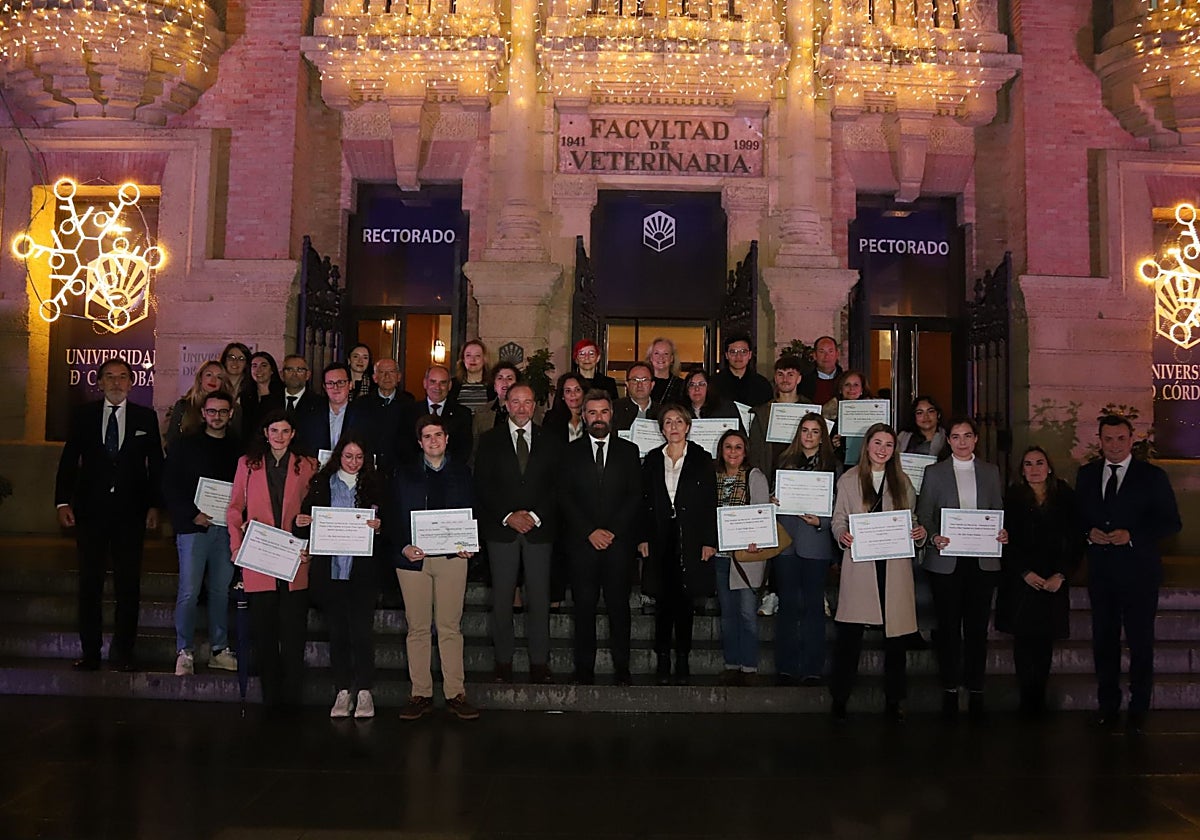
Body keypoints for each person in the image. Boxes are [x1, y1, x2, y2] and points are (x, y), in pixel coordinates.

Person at [55, 357, 164, 671]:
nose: (117, 382)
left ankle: (123, 652)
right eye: (110, 376)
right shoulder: (83, 416)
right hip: (91, 512)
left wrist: (155, 505)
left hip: (131, 513)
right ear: (99, 382)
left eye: (122, 376)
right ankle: (90, 652)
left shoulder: (145, 417)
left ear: (131, 382)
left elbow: (156, 465)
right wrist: (62, 502)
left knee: (128, 586)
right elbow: (69, 461)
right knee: (90, 583)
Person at [1076, 414, 1181, 733]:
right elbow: (1076, 517)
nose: (1114, 445)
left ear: (1131, 439)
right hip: (1102, 574)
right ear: (1099, 440)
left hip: (1140, 574)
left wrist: (1132, 536)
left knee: (1140, 642)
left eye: (1121, 439)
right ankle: (1108, 707)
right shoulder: (1087, 475)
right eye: (1108, 439)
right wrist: (1087, 533)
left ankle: (1138, 709)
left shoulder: (1152, 476)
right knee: (1104, 642)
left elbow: (1171, 522)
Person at [830, 423, 926, 721]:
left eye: (888, 444)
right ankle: (840, 698)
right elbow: (838, 518)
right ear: (867, 445)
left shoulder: (902, 481)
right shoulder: (848, 479)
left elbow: (912, 519)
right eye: (877, 443)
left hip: (894, 566)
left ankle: (895, 700)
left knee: (895, 639)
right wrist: (842, 534)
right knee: (849, 636)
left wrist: (919, 533)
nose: (882, 449)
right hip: (861, 563)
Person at [916, 417, 1008, 721]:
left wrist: (1001, 533)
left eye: (967, 436)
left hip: (982, 561)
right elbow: (924, 515)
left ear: (976, 439)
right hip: (946, 560)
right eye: (956, 436)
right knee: (948, 627)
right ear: (948, 440)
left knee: (978, 628)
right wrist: (933, 537)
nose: (962, 442)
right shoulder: (934, 472)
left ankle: (976, 686)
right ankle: (950, 686)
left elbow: (997, 511)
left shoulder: (991, 472)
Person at [226, 410, 318, 711]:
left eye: (285, 431)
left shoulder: (308, 465)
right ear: (265, 433)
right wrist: (236, 547)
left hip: (295, 558)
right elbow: (234, 508)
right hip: (259, 558)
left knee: (293, 635)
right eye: (274, 431)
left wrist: (311, 541)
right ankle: (272, 700)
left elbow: (316, 509)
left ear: (293, 434)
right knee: (264, 635)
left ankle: (292, 699)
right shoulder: (247, 464)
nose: (279, 436)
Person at [392, 414, 480, 720]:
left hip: (452, 559)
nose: (433, 441)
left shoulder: (463, 473)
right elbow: (393, 515)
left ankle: (455, 693)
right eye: (427, 436)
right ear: (420, 442)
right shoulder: (403, 473)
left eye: (438, 435)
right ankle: (420, 693)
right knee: (417, 627)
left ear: (447, 439)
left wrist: (469, 543)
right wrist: (403, 546)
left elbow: (473, 511)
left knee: (449, 627)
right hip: (412, 559)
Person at [474, 383, 563, 683]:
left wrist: (535, 516)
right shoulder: (490, 440)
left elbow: (558, 486)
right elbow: (482, 485)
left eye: (527, 402)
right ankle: (503, 661)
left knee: (539, 598)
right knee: (502, 599)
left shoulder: (551, 440)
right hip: (502, 529)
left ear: (535, 405)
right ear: (506, 404)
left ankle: (539, 662)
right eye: (516, 401)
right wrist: (508, 516)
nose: (522, 408)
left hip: (540, 529)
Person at [294, 435, 383, 719]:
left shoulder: (376, 485)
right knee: (338, 633)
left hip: (363, 573)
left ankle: (365, 691)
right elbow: (304, 522)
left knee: (362, 633)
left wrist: (380, 527)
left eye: (359, 457)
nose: (353, 462)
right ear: (338, 457)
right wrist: (301, 522)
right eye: (348, 456)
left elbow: (389, 526)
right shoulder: (322, 483)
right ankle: (343, 690)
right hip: (331, 571)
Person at [560, 390, 642, 685]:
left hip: (618, 544)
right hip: (582, 544)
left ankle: (622, 667)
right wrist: (589, 531)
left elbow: (635, 495)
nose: (598, 418)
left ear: (612, 415)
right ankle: (584, 668)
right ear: (583, 416)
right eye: (592, 412)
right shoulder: (569, 452)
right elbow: (564, 496)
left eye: (604, 412)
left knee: (619, 607)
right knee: (583, 608)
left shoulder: (629, 451)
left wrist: (612, 531)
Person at [995, 446, 1084, 717]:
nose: (1034, 469)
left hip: (1053, 580)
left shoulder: (1065, 496)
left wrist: (1062, 574)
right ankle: (1026, 700)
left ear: (1049, 467)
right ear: (1022, 471)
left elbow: (1076, 540)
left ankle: (1039, 698)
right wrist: (1024, 573)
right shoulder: (1012, 498)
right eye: (1028, 464)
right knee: (1023, 642)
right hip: (1022, 580)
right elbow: (1004, 540)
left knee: (1045, 642)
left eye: (1039, 463)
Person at [162, 390, 242, 676]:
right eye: (211, 411)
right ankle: (184, 651)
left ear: (230, 414)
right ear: (203, 413)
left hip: (227, 529)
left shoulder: (239, 448)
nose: (216, 417)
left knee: (220, 591)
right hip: (192, 527)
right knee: (189, 591)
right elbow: (170, 485)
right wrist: (192, 514)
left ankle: (219, 650)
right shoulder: (184, 445)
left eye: (222, 412)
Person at [638, 405, 717, 685]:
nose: (673, 427)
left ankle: (682, 659)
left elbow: (710, 502)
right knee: (662, 601)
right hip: (660, 537)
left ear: (688, 426)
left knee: (685, 601)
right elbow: (643, 501)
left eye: (679, 421)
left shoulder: (701, 459)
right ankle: (662, 658)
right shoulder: (651, 459)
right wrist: (642, 537)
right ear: (661, 428)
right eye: (668, 422)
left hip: (691, 537)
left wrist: (709, 540)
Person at [774, 413, 839, 687]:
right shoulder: (783, 461)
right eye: (805, 430)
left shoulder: (833, 466)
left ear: (822, 437)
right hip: (787, 543)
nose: (809, 436)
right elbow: (774, 496)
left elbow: (840, 506)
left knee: (813, 608)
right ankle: (786, 666)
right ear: (798, 433)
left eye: (815, 431)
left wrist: (822, 521)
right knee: (787, 606)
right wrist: (773, 500)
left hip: (816, 543)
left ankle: (813, 667)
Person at [711, 429, 769, 685]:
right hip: (720, 556)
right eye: (728, 447)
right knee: (727, 614)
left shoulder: (754, 477)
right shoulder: (713, 477)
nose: (732, 452)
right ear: (721, 451)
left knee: (746, 613)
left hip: (747, 556)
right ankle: (732, 664)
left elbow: (761, 513)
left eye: (738, 447)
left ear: (745, 452)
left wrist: (756, 538)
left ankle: (749, 666)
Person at [346, 357, 414, 479]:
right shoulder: (362, 404)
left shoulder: (409, 404)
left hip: (400, 472)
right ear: (375, 378)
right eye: (382, 372)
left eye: (391, 372)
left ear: (399, 377)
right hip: (369, 471)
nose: (387, 376)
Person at [748, 355, 808, 484]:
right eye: (780, 374)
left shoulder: (810, 410)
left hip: (802, 478)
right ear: (775, 378)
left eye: (790, 374)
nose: (785, 379)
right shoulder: (762, 413)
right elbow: (754, 450)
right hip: (769, 477)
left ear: (799, 379)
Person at [403, 365, 474, 465]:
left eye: (443, 382)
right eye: (433, 382)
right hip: (416, 470)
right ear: (425, 383)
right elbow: (404, 446)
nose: (437, 387)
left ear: (449, 386)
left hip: (451, 471)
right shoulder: (409, 412)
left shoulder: (463, 414)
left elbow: (464, 448)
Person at [165, 360, 232, 451]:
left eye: (219, 377)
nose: (213, 380)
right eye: (209, 375)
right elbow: (171, 441)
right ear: (200, 378)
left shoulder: (232, 408)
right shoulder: (183, 406)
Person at [294, 362, 352, 458]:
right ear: (324, 387)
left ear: (350, 384)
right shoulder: (310, 414)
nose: (335, 387)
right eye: (330, 383)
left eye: (341, 382)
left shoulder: (362, 415)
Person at [712, 332, 773, 409]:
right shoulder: (713, 383)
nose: (738, 356)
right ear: (726, 355)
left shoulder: (762, 384)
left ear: (750, 354)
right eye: (733, 352)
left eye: (743, 352)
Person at [823, 369, 871, 464]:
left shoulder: (873, 412)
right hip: (838, 463)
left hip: (867, 461)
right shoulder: (828, 413)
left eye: (856, 385)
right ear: (840, 389)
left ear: (862, 389)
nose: (851, 388)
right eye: (847, 385)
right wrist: (833, 443)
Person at [244, 351, 284, 435]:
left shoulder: (282, 394)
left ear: (272, 370)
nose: (258, 370)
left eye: (264, 365)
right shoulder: (246, 396)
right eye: (254, 366)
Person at [543, 372, 587, 443]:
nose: (573, 394)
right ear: (562, 396)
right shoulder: (551, 418)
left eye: (577, 390)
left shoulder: (591, 417)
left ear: (584, 393)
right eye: (568, 391)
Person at [798, 335, 843, 405]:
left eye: (830, 351)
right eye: (822, 352)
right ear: (814, 355)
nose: (826, 356)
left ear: (837, 354)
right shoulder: (803, 382)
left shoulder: (845, 380)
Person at [450, 339, 492, 413]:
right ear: (463, 359)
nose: (473, 359)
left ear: (484, 359)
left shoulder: (492, 386)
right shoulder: (452, 385)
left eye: (477, 356)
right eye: (468, 355)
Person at [613, 361, 657, 431]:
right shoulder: (614, 409)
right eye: (634, 380)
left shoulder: (662, 413)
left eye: (644, 380)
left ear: (652, 385)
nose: (639, 385)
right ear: (627, 384)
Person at [646, 337, 686, 406]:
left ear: (672, 358)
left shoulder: (681, 385)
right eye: (656, 353)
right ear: (650, 357)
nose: (661, 357)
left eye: (666, 353)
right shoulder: (642, 383)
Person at [221, 342, 254, 406]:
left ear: (246, 364)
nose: (235, 362)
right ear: (224, 361)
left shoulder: (252, 389)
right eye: (231, 357)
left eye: (241, 359)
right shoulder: (216, 385)